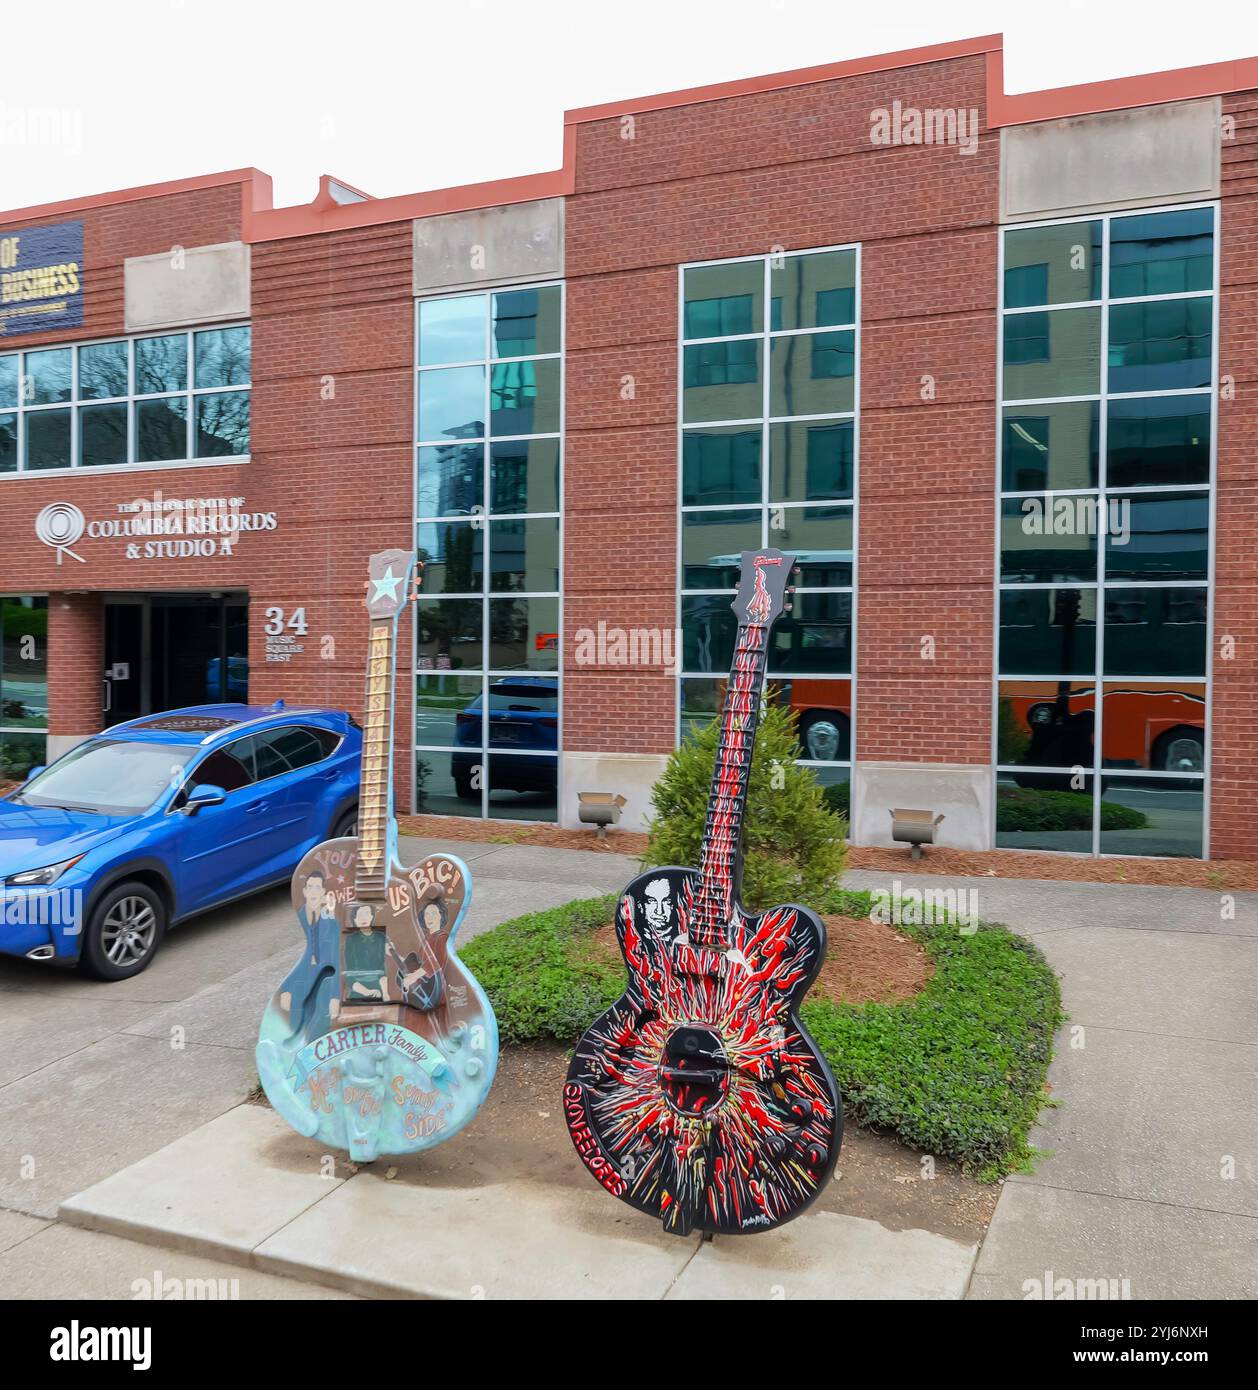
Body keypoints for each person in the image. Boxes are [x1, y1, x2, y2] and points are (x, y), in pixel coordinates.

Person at [343, 903, 387, 1002]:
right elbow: (349, 973)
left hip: (380, 985)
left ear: (372, 916)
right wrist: (366, 992)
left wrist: (385, 993)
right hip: (358, 988)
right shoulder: (351, 940)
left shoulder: (381, 938)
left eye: (367, 913)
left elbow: (384, 970)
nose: (364, 918)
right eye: (360, 915)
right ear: (355, 919)